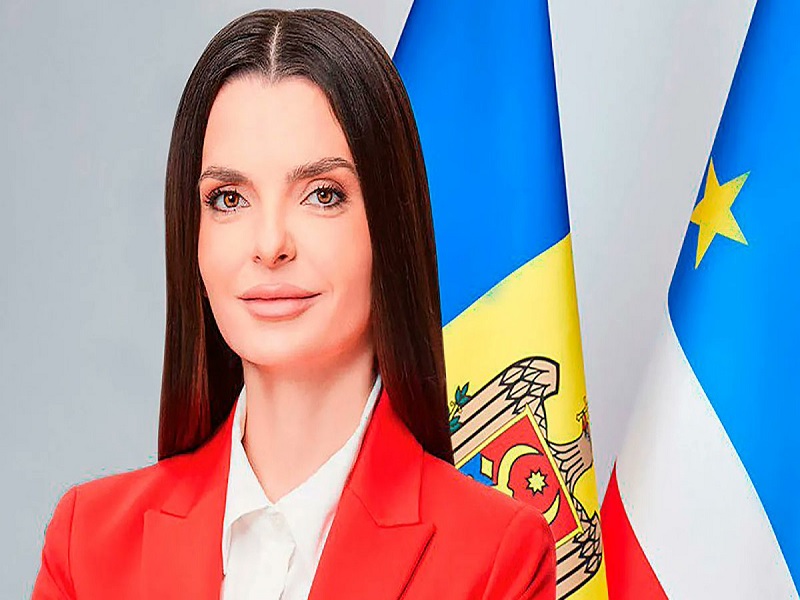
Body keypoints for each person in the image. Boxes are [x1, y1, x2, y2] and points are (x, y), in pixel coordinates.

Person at [31, 8, 555, 600]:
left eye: (322, 194)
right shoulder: (88, 545)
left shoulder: (495, 556)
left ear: (390, 225)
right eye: (229, 198)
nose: (270, 243)